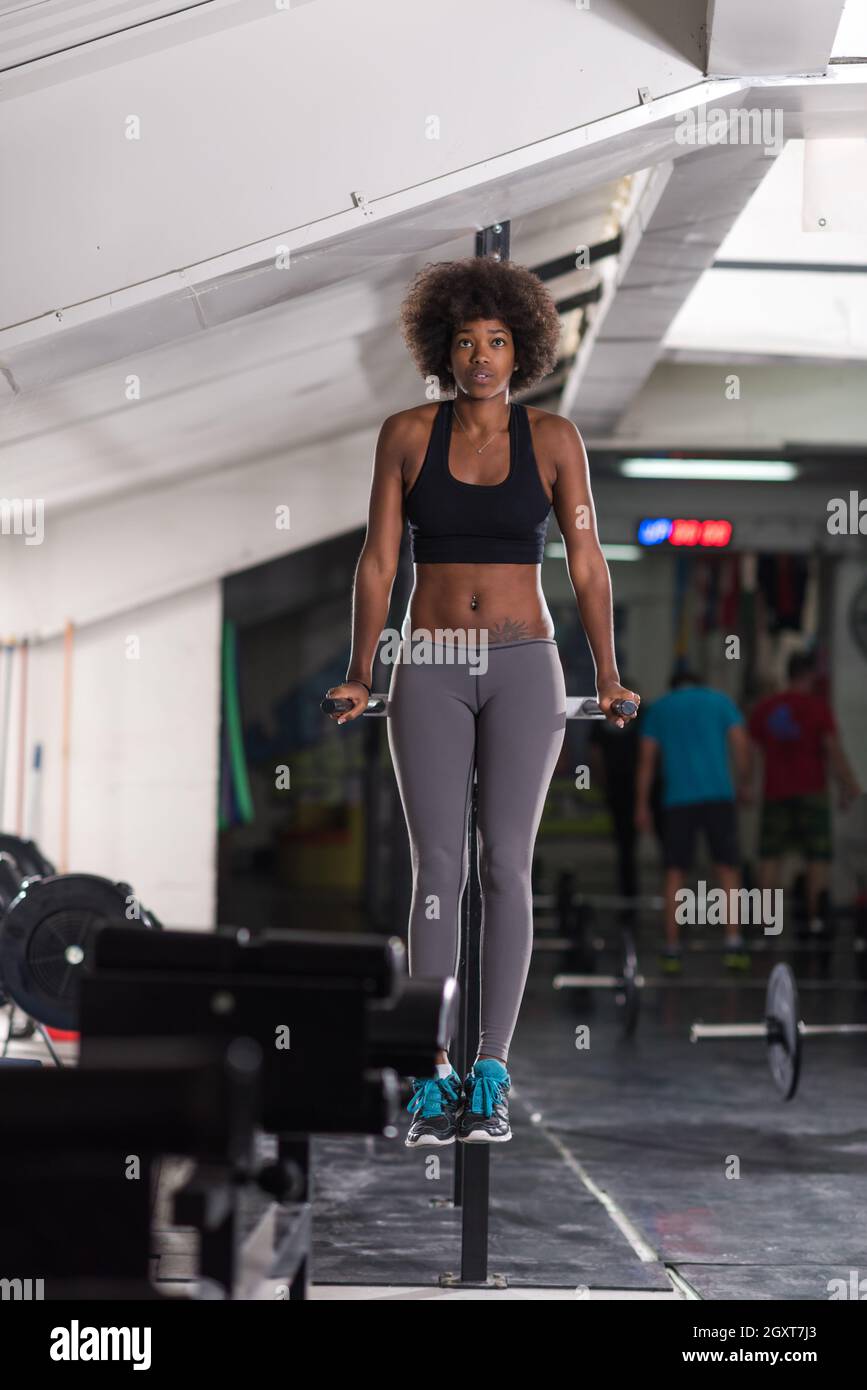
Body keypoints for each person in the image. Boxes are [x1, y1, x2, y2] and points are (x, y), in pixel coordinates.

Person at [324, 256, 638, 1146]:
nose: (481, 357)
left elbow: (586, 562)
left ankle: (490, 1071)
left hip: (524, 661)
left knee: (505, 862)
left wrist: (607, 673)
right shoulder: (404, 434)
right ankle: (432, 1074)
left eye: (497, 341)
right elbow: (380, 561)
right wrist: (361, 669)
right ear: (444, 352)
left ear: (521, 350)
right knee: (438, 871)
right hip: (427, 658)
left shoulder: (554, 441)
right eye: (465, 343)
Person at [635, 670, 752, 970]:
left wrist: (641, 804)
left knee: (675, 872)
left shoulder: (661, 707)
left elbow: (647, 761)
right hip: (718, 796)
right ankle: (734, 944)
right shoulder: (719, 702)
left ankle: (672, 949)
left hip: (678, 800)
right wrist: (745, 782)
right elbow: (740, 743)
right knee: (727, 869)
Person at [748, 650, 861, 932]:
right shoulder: (817, 707)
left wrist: (746, 783)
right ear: (810, 674)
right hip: (812, 791)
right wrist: (849, 785)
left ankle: (765, 924)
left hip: (775, 791)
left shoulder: (766, 707)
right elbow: (832, 750)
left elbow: (752, 751)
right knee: (817, 859)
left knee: (770, 857)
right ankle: (815, 921)